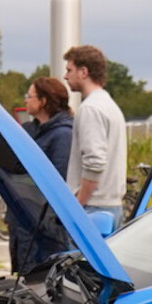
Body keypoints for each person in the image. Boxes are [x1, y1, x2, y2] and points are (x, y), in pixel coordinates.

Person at [11, 77, 74, 274]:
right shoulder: (30, 131)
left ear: (44, 101)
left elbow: (57, 182)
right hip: (25, 221)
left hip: (45, 228)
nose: (25, 100)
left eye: (29, 96)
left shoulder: (63, 135)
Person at [62, 44, 126, 232]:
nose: (66, 76)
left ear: (84, 72)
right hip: (112, 205)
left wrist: (78, 205)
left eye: (69, 70)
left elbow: (95, 163)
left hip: (94, 207)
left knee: (83, 262)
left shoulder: (91, 109)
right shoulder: (109, 105)